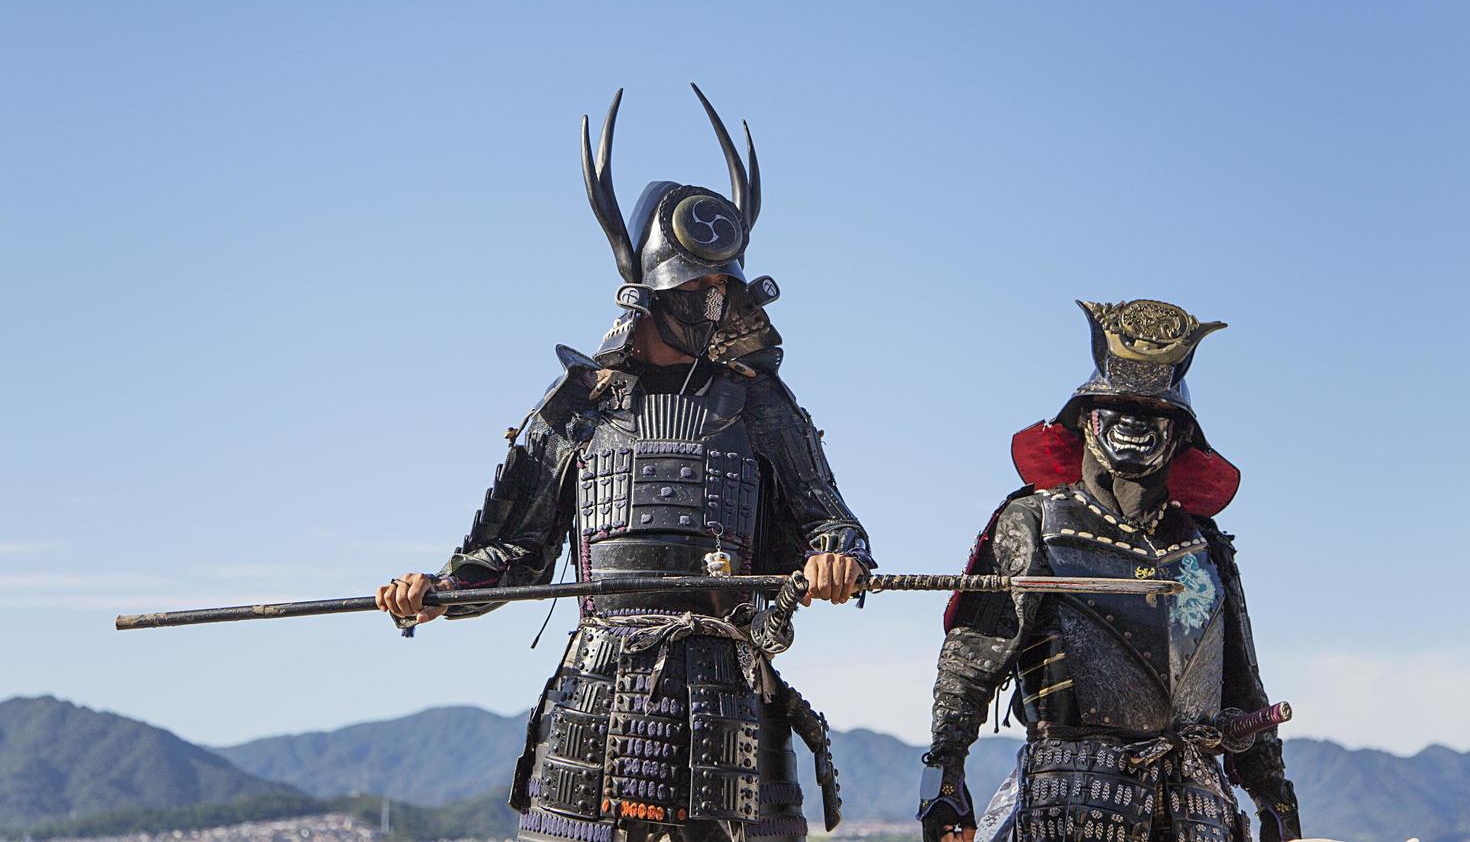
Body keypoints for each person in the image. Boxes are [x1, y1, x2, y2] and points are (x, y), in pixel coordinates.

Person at [378, 86, 873, 842]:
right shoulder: (578, 402)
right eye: (696, 287)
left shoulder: (762, 402)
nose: (712, 303)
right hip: (596, 710)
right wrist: (439, 592)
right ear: (648, 290)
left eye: (722, 287)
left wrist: (834, 561)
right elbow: (509, 554)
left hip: (731, 715)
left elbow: (831, 523)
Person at [918, 299, 1301, 842]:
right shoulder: (1033, 520)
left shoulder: (1206, 547)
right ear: (1085, 419)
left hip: (1199, 809)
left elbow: (1241, 682)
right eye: (1117, 406)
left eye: (1155, 413)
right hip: (1068, 800)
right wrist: (943, 775)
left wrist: (1275, 800)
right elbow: (973, 656)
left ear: (1180, 434)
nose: (1135, 422)